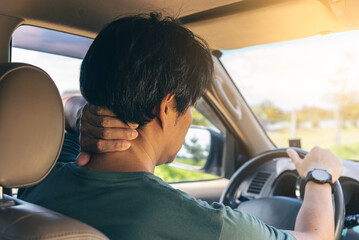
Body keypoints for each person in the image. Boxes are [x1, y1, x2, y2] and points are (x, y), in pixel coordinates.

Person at [19, 13, 342, 240]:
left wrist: (81, 114)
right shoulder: (187, 220)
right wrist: (319, 176)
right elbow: (316, 236)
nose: (189, 120)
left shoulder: (41, 181)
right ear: (166, 107)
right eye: (191, 107)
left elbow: (68, 104)